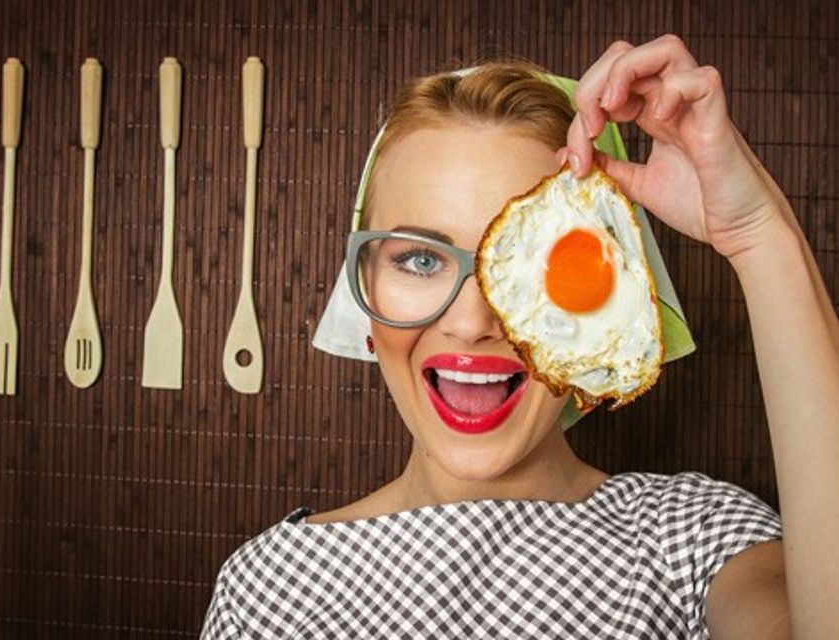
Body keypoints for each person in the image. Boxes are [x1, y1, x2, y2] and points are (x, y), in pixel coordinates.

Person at [201, 35, 839, 638]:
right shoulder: (269, 586)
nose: (471, 322)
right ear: (364, 298)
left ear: (603, 313)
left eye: (530, 264)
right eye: (420, 259)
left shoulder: (694, 543)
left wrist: (759, 236)